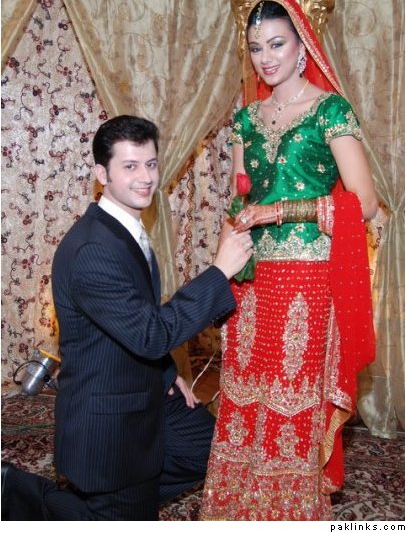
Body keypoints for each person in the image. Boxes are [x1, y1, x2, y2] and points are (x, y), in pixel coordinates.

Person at [2, 114, 253, 521]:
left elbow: (135, 320)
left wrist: (165, 373)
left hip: (144, 388)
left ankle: (123, 501)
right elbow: (150, 334)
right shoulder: (93, 250)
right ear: (102, 174)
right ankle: (15, 490)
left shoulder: (122, 228)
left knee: (208, 449)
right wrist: (219, 271)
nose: (146, 177)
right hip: (108, 423)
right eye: (130, 166)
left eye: (150, 164)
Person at [199, 0, 378, 521]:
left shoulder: (330, 111)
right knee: (244, 389)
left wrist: (279, 212)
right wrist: (219, 275)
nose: (266, 57)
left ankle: (288, 511)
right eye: (256, 48)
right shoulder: (245, 120)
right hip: (251, 277)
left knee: (291, 393)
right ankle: (238, 508)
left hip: (307, 277)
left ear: (303, 47)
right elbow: (240, 200)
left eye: (277, 44)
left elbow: (364, 202)